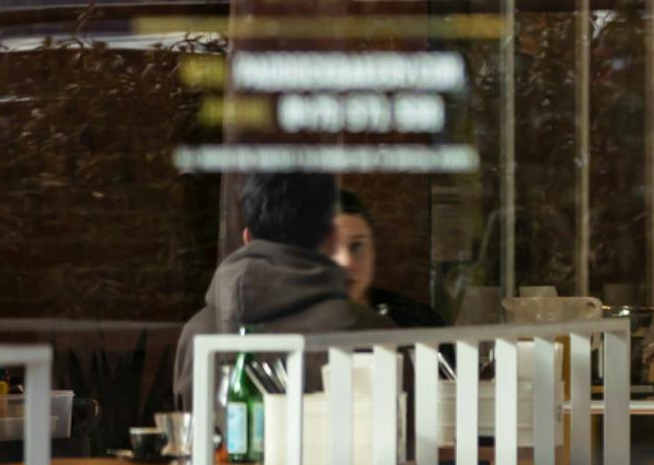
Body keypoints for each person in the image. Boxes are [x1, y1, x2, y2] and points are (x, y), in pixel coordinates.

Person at [171, 172, 377, 406]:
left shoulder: (197, 331)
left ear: (247, 238)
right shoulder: (364, 329)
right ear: (329, 239)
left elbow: (188, 433)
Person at [333, 190, 447, 329]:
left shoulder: (417, 321)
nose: (347, 262)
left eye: (357, 246)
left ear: (373, 250)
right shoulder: (299, 331)